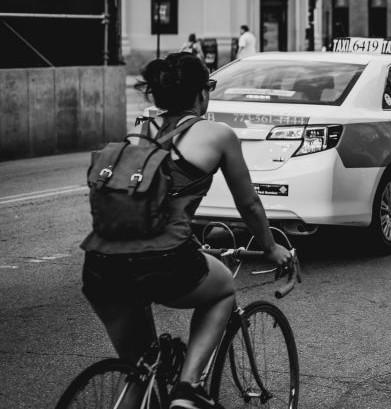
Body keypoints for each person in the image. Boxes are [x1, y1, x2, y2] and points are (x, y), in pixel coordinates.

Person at [81, 52, 292, 409]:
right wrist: (272, 249)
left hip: (101, 263)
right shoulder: (217, 134)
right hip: (163, 261)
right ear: (201, 93)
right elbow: (250, 205)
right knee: (223, 287)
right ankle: (187, 388)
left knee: (141, 370)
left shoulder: (137, 132)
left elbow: (143, 204)